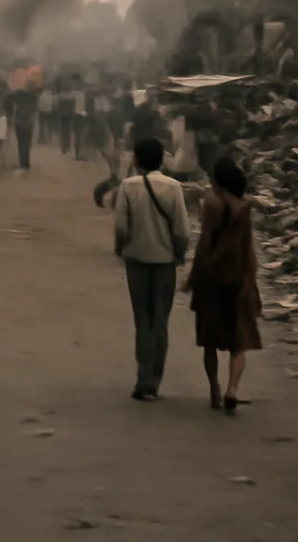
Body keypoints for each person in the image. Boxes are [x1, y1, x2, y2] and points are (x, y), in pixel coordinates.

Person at [113, 138, 190, 401]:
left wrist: (121, 248)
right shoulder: (173, 187)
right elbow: (181, 230)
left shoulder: (127, 187)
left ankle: (143, 378)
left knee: (142, 320)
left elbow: (120, 227)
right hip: (165, 263)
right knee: (160, 321)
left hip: (136, 261)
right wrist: (179, 253)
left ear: (137, 160)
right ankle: (155, 381)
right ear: (161, 160)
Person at [184, 156, 262, 413]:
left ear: (217, 182)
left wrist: (193, 278)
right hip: (239, 281)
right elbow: (248, 249)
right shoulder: (245, 208)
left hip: (211, 283)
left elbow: (204, 245)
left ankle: (214, 390)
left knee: (209, 341)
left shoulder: (210, 207)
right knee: (238, 343)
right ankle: (232, 389)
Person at [13, 87, 38, 170]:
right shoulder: (31, 106)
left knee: (21, 145)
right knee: (26, 145)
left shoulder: (19, 107)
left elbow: (16, 119)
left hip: (20, 127)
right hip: (28, 127)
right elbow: (32, 118)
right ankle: (26, 163)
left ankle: (22, 163)